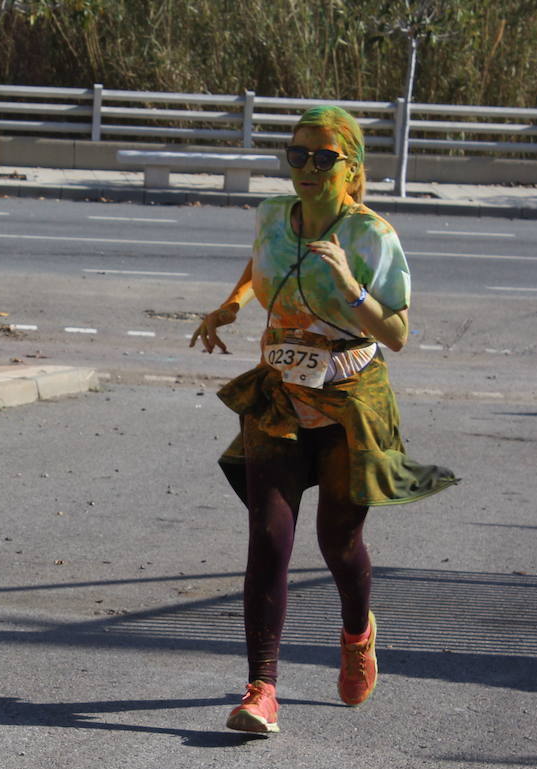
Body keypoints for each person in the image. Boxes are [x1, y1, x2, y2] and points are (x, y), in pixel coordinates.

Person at [189, 106, 456, 736]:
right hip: (279, 395)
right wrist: (230, 305)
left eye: (322, 157)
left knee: (337, 543)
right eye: (297, 155)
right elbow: (260, 264)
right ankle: (261, 689)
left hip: (347, 400)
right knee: (269, 538)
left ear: (351, 167)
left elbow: (397, 334)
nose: (306, 168)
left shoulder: (372, 237)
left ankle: (358, 630)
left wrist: (351, 287)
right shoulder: (272, 216)